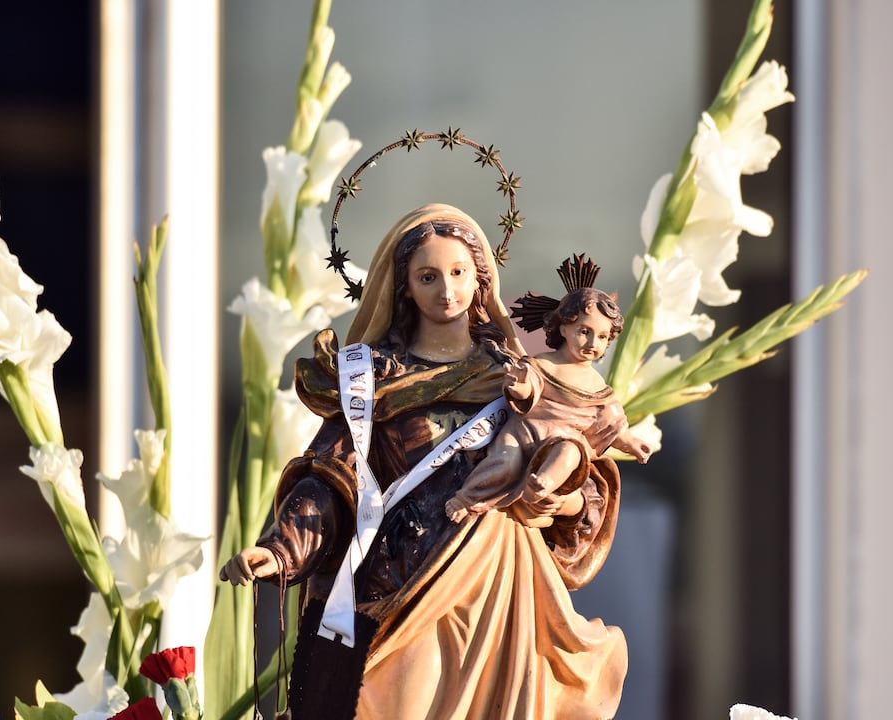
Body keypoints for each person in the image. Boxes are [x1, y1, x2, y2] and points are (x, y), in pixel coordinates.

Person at [220, 204, 627, 720]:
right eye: (428, 276)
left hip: (496, 585)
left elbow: (578, 470)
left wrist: (558, 496)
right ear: (402, 285)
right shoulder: (372, 381)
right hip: (400, 582)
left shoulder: (518, 378)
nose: (446, 289)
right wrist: (283, 549)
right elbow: (335, 476)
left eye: (458, 273)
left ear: (480, 280)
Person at [443, 285, 651, 527]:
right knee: (504, 464)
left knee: (570, 453)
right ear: (564, 327)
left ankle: (541, 486)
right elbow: (527, 388)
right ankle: (466, 498)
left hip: (562, 441)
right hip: (523, 434)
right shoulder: (544, 364)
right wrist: (519, 388)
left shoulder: (598, 387)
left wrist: (633, 444)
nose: (593, 343)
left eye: (603, 337)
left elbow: (613, 425)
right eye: (584, 331)